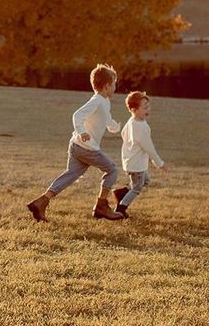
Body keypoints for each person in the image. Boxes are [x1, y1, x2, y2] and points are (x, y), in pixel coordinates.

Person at [27, 63, 124, 222]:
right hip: (86, 148)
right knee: (112, 169)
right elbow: (77, 115)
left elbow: (106, 119)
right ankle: (101, 206)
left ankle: (41, 202)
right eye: (114, 83)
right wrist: (82, 131)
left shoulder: (104, 102)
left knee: (70, 175)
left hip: (77, 146)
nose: (115, 86)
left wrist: (116, 127)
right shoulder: (97, 101)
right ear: (106, 86)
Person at [112, 91, 166, 217]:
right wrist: (159, 163)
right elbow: (149, 147)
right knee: (137, 187)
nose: (148, 109)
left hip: (133, 162)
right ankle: (121, 208)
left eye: (148, 106)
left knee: (145, 180)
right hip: (135, 165)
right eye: (144, 107)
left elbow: (123, 134)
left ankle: (121, 192)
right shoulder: (140, 127)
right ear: (134, 110)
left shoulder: (133, 121)